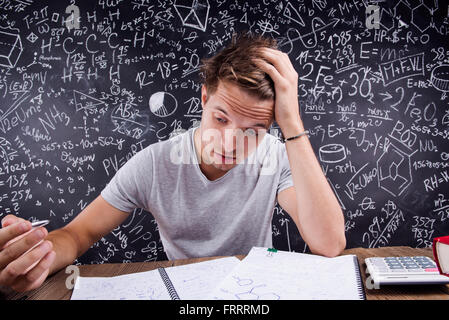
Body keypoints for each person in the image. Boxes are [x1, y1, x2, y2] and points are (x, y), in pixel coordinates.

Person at [0, 33, 345, 292]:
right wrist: (39, 254)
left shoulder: (277, 156)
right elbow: (78, 234)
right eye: (221, 119)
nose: (230, 144)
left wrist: (292, 125)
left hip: (253, 295)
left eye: (253, 131)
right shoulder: (152, 165)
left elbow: (329, 244)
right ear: (205, 97)